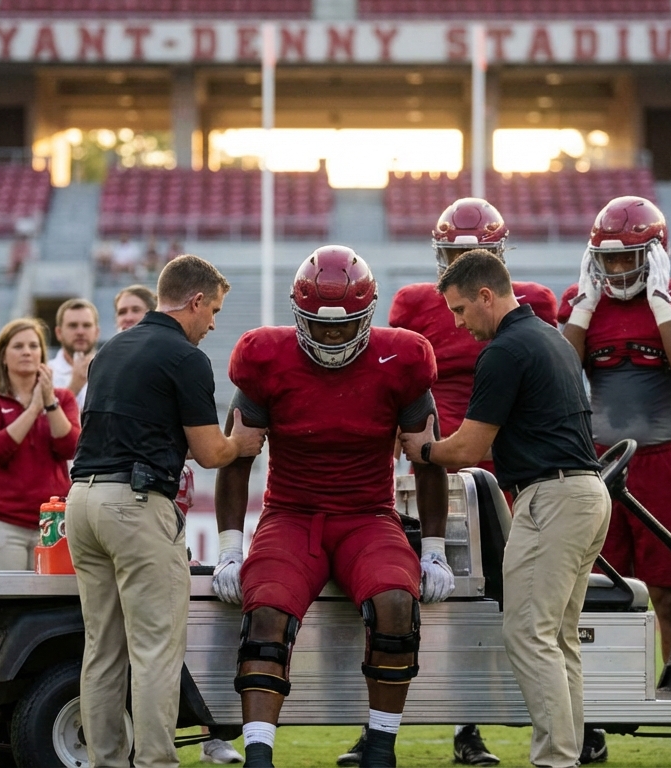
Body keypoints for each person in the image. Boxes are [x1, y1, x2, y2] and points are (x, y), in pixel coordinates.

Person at [333, 197, 554, 768]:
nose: (463, 261)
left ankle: (475, 724)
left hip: (499, 472)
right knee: (398, 595)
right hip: (427, 470)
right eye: (455, 251)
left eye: (473, 252)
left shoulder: (526, 309)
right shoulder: (416, 303)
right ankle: (375, 726)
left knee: (502, 601)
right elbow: (392, 382)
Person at [212, 245, 450, 768]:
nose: (332, 336)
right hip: (291, 514)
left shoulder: (402, 358)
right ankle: (258, 755)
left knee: (396, 604)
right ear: (299, 316)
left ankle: (380, 749)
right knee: (266, 612)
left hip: (369, 514)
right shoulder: (266, 356)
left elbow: (427, 459)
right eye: (319, 327)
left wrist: (433, 548)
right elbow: (238, 456)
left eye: (345, 327)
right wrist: (231, 547)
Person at [401, 250, 610, 768]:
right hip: (587, 493)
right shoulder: (553, 340)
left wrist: (423, 450)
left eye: (460, 310)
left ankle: (555, 759)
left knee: (529, 633)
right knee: (560, 638)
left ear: (486, 297)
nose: (457, 322)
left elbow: (469, 448)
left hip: (552, 498)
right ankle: (568, 754)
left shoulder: (503, 351)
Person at [66, 254, 264, 768]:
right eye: (214, 310)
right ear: (195, 301)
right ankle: (156, 762)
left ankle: (106, 760)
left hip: (82, 501)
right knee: (155, 649)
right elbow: (208, 451)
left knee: (102, 649)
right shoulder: (185, 357)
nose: (214, 322)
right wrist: (240, 443)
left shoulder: (109, 350)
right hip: (135, 504)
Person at [556, 196, 671, 767]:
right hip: (595, 467)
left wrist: (659, 303)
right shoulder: (587, 305)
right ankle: (596, 720)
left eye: (632, 259)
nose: (619, 271)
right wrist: (581, 310)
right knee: (597, 598)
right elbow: (558, 375)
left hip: (663, 462)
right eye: (610, 260)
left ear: (655, 255)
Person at [0, 317, 80, 571]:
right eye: (18, 346)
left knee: (50, 607)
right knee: (5, 605)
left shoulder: (62, 398)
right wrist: (33, 409)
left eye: (33, 346)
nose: (27, 352)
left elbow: (70, 448)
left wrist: (49, 402)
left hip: (53, 522)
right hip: (1, 524)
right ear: (3, 356)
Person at [50, 298, 101, 401]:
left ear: (96, 332)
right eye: (73, 326)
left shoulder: (110, 372)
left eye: (86, 325)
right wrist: (75, 386)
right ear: (58, 333)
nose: (80, 332)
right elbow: (42, 416)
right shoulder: (44, 374)